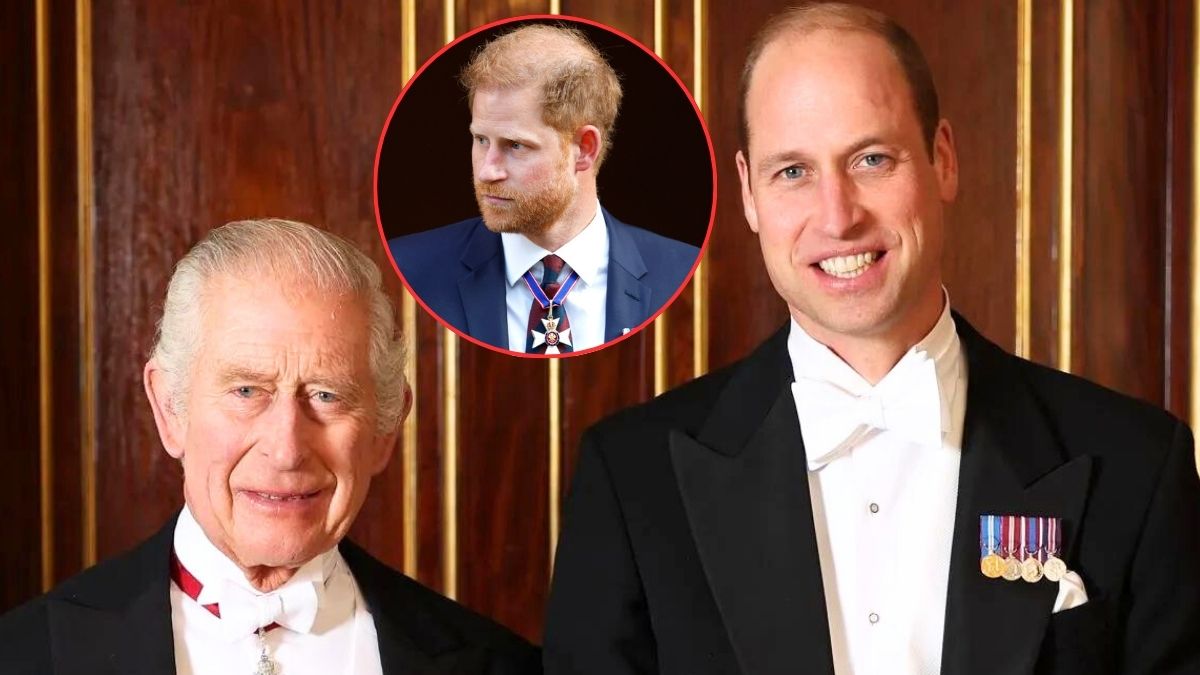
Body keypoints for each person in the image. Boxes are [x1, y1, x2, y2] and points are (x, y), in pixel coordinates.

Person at [543, 3, 1200, 674]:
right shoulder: (631, 480)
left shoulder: (1137, 465)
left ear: (942, 159)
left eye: (872, 159)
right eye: (793, 171)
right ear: (747, 193)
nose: (838, 216)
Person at [0, 220, 540, 674]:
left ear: (385, 427)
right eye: (246, 391)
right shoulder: (26, 655)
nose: (286, 450)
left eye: (327, 396)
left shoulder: (501, 665)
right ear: (169, 409)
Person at [388, 24, 698, 354]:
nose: (487, 170)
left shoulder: (680, 276)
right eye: (481, 140)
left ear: (584, 148)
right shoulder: (410, 270)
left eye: (516, 146)